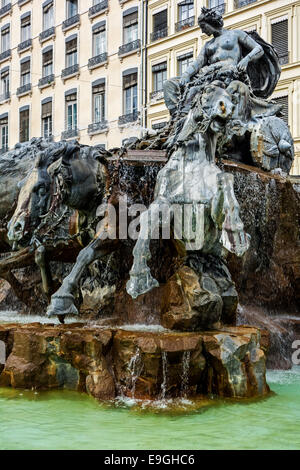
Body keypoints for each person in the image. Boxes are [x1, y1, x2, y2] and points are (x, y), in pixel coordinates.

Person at [164, 7, 265, 117]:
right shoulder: (208, 44)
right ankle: (176, 118)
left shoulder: (235, 34)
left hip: (226, 73)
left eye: (203, 27)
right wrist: (186, 74)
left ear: (211, 22)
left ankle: (183, 115)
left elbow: (258, 49)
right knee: (169, 84)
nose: (202, 31)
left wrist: (246, 59)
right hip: (206, 74)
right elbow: (198, 62)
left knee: (195, 90)